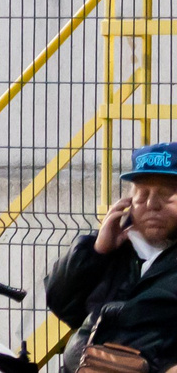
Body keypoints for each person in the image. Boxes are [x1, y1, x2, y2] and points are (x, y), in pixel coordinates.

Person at [46, 139, 177, 369]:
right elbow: (62, 305)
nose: (152, 204)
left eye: (166, 194)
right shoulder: (116, 250)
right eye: (141, 194)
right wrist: (96, 252)